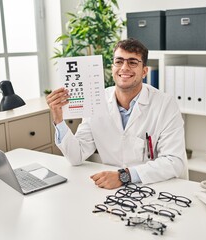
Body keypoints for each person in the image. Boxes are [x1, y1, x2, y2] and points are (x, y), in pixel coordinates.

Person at [46, 38, 187, 189]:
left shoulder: (165, 104)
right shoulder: (96, 100)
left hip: (153, 187)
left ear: (144, 71)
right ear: (112, 67)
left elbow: (174, 161)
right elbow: (76, 156)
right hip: (111, 189)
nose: (124, 67)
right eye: (119, 61)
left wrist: (124, 176)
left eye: (132, 62)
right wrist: (59, 119)